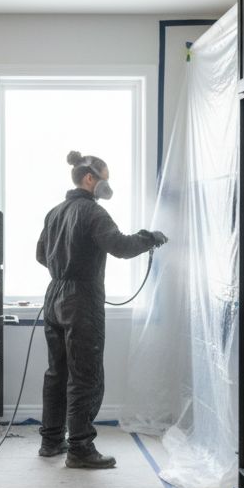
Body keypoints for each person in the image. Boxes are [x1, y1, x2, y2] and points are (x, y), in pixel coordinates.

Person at [35, 151, 167, 468]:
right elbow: (120, 246)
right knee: (85, 376)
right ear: (90, 178)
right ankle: (80, 449)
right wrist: (149, 238)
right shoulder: (93, 213)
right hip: (81, 300)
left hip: (54, 297)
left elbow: (41, 255)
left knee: (57, 373)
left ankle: (51, 441)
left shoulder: (55, 212)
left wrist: (65, 269)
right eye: (105, 178)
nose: (107, 185)